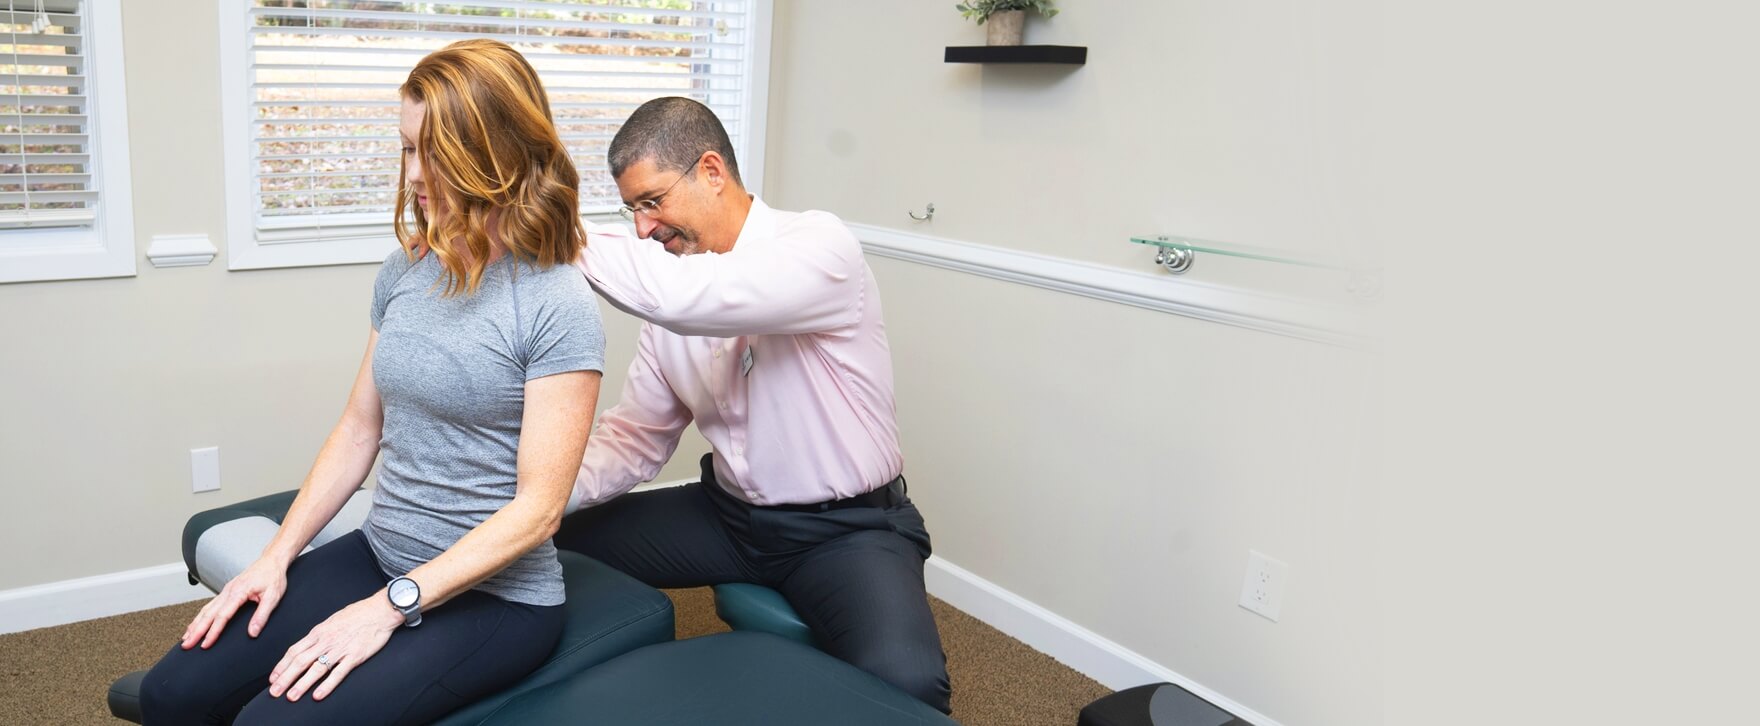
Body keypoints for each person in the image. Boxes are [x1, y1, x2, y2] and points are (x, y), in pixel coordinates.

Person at [138, 40, 605, 725]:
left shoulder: (556, 301)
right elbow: (361, 428)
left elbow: (539, 510)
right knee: (171, 695)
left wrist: (389, 608)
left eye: (431, 152)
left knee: (274, 722)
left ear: (493, 151)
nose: (414, 174)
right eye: (406, 149)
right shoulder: (408, 271)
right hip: (380, 551)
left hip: (497, 599)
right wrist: (274, 559)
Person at [555, 96, 953, 713]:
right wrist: (538, 497)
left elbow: (698, 298)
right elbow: (636, 436)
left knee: (908, 686)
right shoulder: (676, 289)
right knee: (548, 542)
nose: (643, 228)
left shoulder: (819, 247)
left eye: (652, 202)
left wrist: (546, 231)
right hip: (728, 516)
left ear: (712, 172)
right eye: (632, 209)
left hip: (842, 529)